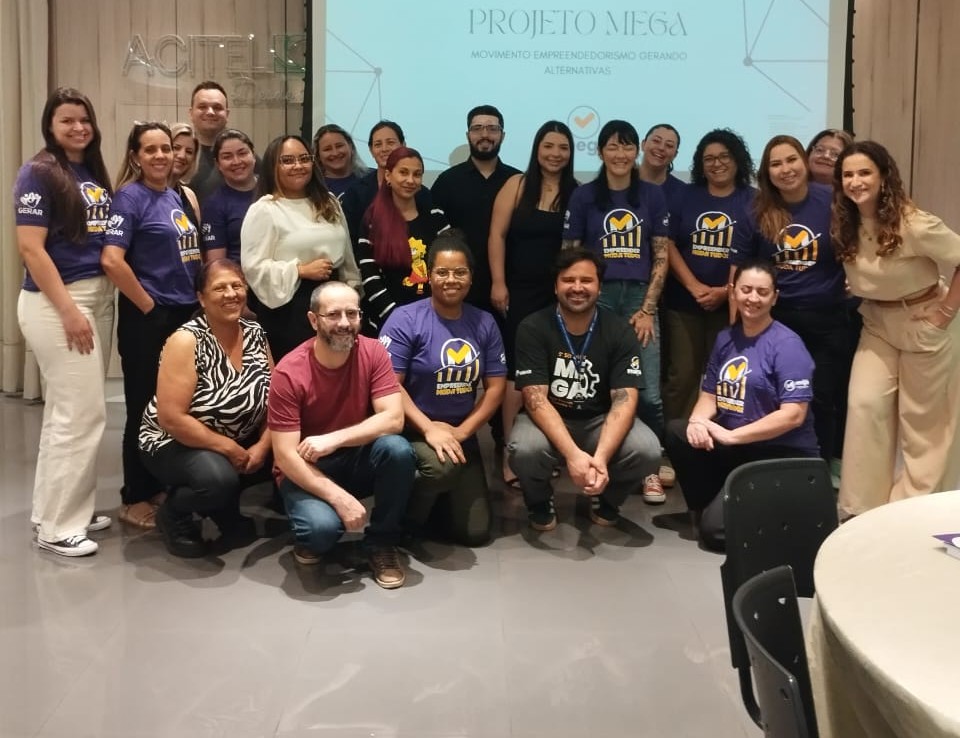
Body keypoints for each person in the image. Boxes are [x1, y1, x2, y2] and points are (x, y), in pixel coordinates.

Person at [832, 140, 960, 517]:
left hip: (924, 321)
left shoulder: (914, 223)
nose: (856, 181)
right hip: (876, 323)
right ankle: (862, 509)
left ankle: (913, 511)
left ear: (884, 176)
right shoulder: (846, 221)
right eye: (848, 175)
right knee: (864, 405)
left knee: (924, 424)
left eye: (864, 172)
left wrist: (945, 314)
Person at [15, 87, 114, 556]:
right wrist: (69, 311)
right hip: (59, 302)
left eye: (84, 119)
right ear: (50, 126)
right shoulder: (38, 172)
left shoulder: (88, 169)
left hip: (93, 296)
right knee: (81, 414)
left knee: (66, 414)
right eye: (67, 120)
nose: (78, 127)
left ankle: (58, 509)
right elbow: (31, 249)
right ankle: (58, 528)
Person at [268, 281, 415, 588]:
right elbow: (284, 456)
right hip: (306, 467)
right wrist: (340, 498)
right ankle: (314, 532)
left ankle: (382, 542)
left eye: (352, 313)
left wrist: (333, 439)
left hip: (353, 457)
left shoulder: (374, 351)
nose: (345, 323)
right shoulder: (288, 372)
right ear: (313, 320)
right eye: (333, 314)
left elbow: (393, 418)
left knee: (398, 449)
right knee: (321, 532)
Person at [664, 260, 819, 551]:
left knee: (716, 535)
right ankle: (710, 507)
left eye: (762, 292)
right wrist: (698, 423)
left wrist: (732, 436)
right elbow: (709, 395)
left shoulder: (787, 345)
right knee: (678, 431)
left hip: (778, 454)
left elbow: (793, 415)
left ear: (775, 297)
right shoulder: (726, 338)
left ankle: (774, 515)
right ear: (733, 291)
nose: (753, 298)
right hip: (739, 449)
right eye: (746, 290)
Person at [509, 248, 661, 530]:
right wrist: (573, 455)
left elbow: (625, 399)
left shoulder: (619, 330)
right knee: (525, 449)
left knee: (648, 451)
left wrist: (600, 459)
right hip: (550, 419)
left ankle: (608, 499)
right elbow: (534, 399)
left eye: (586, 280)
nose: (577, 287)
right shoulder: (533, 327)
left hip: (599, 421)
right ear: (555, 286)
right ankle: (539, 500)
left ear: (599, 287)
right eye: (568, 280)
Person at [562, 119, 671, 503]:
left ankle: (650, 468)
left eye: (627, 146)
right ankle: (599, 464)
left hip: (640, 298)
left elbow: (660, 255)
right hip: (598, 297)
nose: (620, 154)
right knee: (601, 388)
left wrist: (647, 309)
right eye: (612, 146)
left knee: (649, 394)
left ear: (636, 151)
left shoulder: (652, 196)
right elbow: (571, 255)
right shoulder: (584, 196)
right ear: (600, 151)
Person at [102, 122, 202, 529]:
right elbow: (111, 260)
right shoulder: (129, 197)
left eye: (167, 148)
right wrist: (148, 306)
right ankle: (134, 496)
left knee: (173, 406)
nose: (162, 156)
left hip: (183, 315)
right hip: (149, 319)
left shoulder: (175, 196)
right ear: (135, 157)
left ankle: (159, 483)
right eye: (151, 150)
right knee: (143, 405)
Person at [380, 232, 507, 545]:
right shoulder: (405, 319)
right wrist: (428, 429)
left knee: (475, 533)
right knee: (441, 469)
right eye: (443, 272)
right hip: (412, 430)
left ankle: (436, 502)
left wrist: (462, 432)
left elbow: (495, 387)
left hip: (459, 432)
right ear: (429, 275)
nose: (451, 280)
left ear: (471, 277)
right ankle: (405, 521)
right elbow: (389, 385)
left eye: (460, 272)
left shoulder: (484, 322)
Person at [140, 259, 273, 557]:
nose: (231, 294)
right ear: (201, 298)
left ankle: (223, 509)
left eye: (237, 285)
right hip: (173, 441)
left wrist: (263, 446)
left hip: (234, 440)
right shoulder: (185, 341)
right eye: (219, 288)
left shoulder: (255, 332)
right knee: (217, 481)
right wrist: (230, 449)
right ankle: (174, 515)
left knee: (288, 449)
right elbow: (171, 418)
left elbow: (274, 398)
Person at [732, 134, 847, 462]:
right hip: (775, 321)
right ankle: (773, 467)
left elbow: (855, 245)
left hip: (827, 320)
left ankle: (820, 467)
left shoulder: (833, 201)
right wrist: (737, 328)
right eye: (776, 164)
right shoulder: (755, 210)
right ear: (766, 173)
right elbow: (738, 273)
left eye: (792, 160)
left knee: (822, 398)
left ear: (804, 161)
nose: (786, 169)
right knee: (771, 397)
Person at [488, 120, 577, 487]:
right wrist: (498, 282)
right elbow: (497, 235)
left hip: (559, 297)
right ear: (537, 148)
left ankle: (543, 450)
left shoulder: (577, 192)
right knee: (517, 375)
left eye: (563, 147)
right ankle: (511, 454)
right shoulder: (517, 185)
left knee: (553, 374)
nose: (555, 154)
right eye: (548, 146)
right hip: (519, 293)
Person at [663, 129, 755, 421]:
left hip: (734, 305)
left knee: (728, 375)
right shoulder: (684, 195)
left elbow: (758, 254)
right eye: (709, 159)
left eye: (724, 156)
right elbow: (667, 243)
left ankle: (722, 435)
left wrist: (726, 291)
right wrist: (694, 286)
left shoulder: (754, 200)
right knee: (683, 376)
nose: (717, 163)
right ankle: (676, 437)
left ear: (737, 160)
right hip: (684, 303)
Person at [240, 134, 359, 361]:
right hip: (290, 307)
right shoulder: (265, 209)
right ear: (273, 166)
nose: (298, 166)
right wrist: (300, 270)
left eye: (304, 159)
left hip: (334, 301)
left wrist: (353, 293)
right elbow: (253, 268)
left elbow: (347, 256)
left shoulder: (328, 202)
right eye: (288, 160)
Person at [431, 105, 520, 316]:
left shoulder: (517, 181)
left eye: (492, 129)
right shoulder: (447, 182)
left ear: (503, 135)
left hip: (510, 286)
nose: (485, 135)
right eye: (477, 128)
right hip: (458, 288)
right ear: (468, 135)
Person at [356, 146, 450, 330]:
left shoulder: (435, 216)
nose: (410, 180)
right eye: (403, 172)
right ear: (388, 176)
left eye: (417, 174)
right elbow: (370, 277)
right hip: (389, 322)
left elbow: (449, 266)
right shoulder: (372, 221)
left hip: (435, 320)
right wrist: (397, 318)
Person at [340, 120, 431, 245]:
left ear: (403, 145)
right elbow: (349, 240)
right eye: (378, 144)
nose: (384, 149)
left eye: (390, 142)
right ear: (371, 150)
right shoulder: (356, 193)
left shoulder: (421, 193)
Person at [202, 129, 258, 264]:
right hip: (241, 275)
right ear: (218, 164)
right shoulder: (214, 205)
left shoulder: (274, 189)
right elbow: (217, 265)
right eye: (227, 157)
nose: (236, 161)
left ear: (253, 155)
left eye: (242, 153)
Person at [187, 80, 231, 203]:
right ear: (191, 113)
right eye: (202, 107)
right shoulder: (176, 155)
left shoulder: (243, 157)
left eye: (217, 107)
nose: (210, 112)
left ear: (227, 114)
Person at [312, 123, 367, 199]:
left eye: (339, 146)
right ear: (318, 155)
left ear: (351, 147)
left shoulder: (372, 178)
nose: (335, 153)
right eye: (327, 149)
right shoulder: (312, 186)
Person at [638, 123, 686, 209]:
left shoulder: (683, 193)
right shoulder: (622, 182)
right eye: (656, 141)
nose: (661, 148)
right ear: (643, 144)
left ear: (675, 155)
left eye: (669, 145)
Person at [169, 121, 202, 230]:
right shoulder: (142, 193)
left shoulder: (189, 195)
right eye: (176, 148)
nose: (182, 156)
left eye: (189, 152)